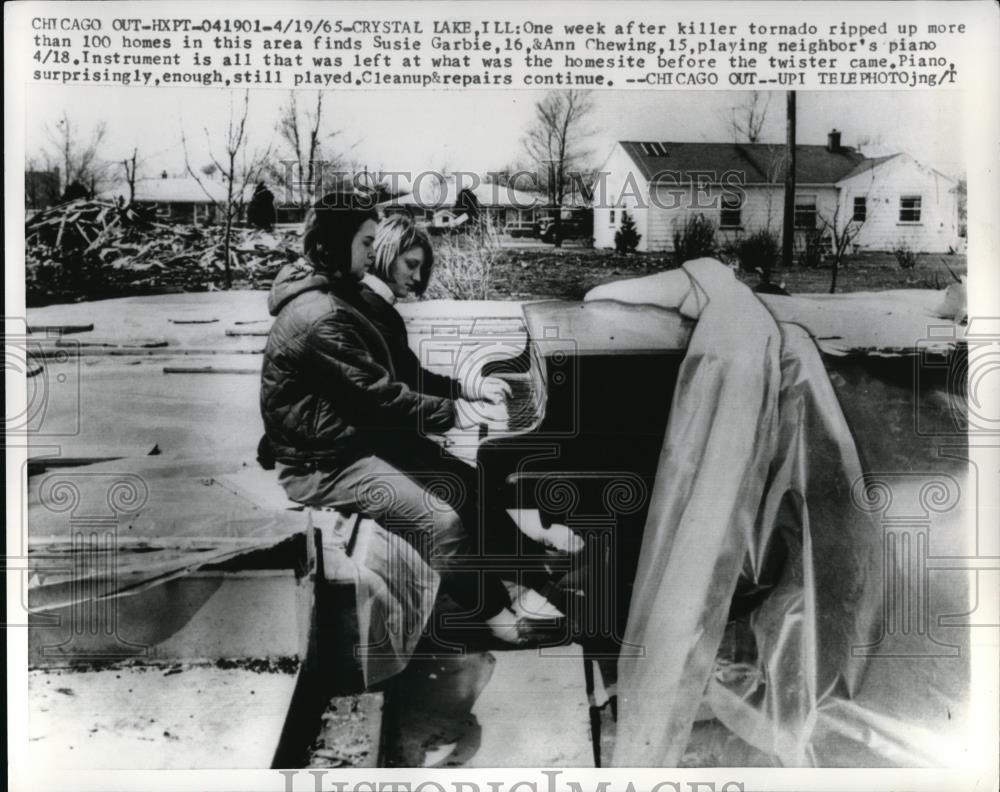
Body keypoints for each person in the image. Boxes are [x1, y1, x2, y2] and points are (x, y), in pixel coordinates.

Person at [260, 193, 527, 644]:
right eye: (366, 243)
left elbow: (384, 384)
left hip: (338, 447)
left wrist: (461, 397)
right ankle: (501, 619)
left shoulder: (330, 297)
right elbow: (379, 396)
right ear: (332, 246)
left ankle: (506, 584)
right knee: (440, 520)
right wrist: (458, 410)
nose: (371, 252)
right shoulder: (322, 315)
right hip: (322, 466)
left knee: (456, 487)